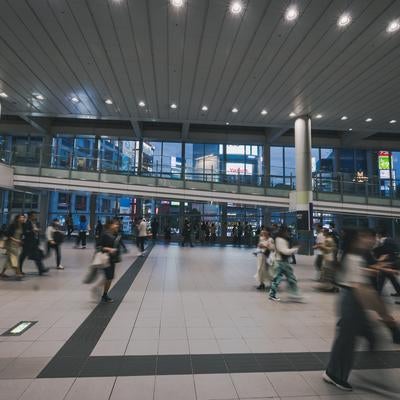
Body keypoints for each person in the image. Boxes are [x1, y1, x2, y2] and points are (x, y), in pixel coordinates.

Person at [323, 229, 376, 391]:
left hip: (349, 298)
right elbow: (359, 286)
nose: (368, 240)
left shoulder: (351, 255)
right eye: (364, 236)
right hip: (351, 300)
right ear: (355, 240)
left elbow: (354, 275)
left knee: (345, 339)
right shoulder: (353, 257)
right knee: (347, 341)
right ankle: (336, 376)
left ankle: (332, 372)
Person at [268, 226, 300, 301]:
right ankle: (294, 293)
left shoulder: (280, 239)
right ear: (283, 232)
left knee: (289, 278)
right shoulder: (280, 240)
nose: (288, 233)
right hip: (280, 262)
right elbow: (284, 251)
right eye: (287, 232)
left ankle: (294, 293)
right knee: (279, 279)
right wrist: (294, 249)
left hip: (282, 261)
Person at [95, 219, 123, 303]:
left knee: (110, 277)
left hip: (112, 259)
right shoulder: (104, 234)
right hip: (105, 258)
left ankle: (103, 293)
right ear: (110, 225)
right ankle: (103, 294)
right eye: (115, 224)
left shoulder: (116, 234)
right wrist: (108, 249)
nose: (117, 226)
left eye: (118, 224)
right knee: (109, 277)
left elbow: (118, 244)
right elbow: (98, 247)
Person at [373, 228, 400, 296]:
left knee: (381, 277)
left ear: (379, 234)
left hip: (389, 263)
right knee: (391, 278)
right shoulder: (390, 240)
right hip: (391, 262)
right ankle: (399, 292)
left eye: (377, 235)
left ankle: (377, 293)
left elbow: (383, 252)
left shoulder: (384, 241)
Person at [0, 214, 24, 279]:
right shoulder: (13, 225)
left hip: (16, 245)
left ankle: (2, 273)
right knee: (15, 258)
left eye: (23, 218)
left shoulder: (21, 225)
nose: (22, 219)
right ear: (17, 218)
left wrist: (19, 242)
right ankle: (18, 273)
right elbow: (8, 235)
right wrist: (16, 240)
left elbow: (20, 235)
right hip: (11, 244)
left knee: (9, 260)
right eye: (21, 217)